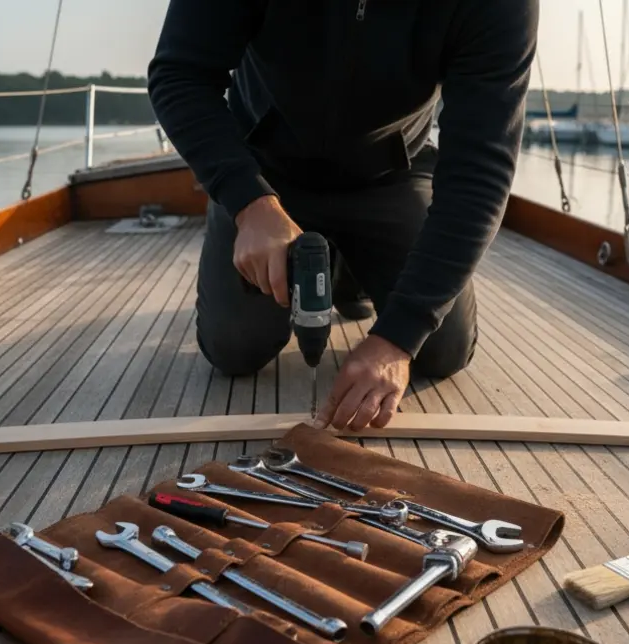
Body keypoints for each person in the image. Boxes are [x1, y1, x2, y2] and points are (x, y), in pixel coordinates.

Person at [148, 0, 536, 431]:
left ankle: (349, 272)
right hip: (265, 171)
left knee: (441, 350)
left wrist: (396, 341)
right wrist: (246, 201)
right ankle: (320, 253)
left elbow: (478, 172)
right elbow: (179, 75)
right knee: (235, 349)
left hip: (392, 172)